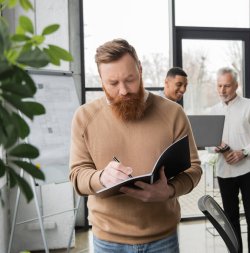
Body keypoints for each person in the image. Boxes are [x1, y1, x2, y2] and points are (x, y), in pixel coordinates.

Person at [69, 38, 202, 253]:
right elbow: (77, 176)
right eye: (113, 83)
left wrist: (169, 190)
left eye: (129, 79)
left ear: (140, 70)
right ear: (101, 80)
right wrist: (100, 178)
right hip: (107, 241)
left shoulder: (173, 113)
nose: (123, 90)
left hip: (163, 239)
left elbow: (194, 169)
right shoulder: (84, 117)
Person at [208, 67, 250, 253]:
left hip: (249, 170)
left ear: (236, 85)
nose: (222, 90)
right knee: (230, 218)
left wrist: (243, 152)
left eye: (227, 86)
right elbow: (208, 144)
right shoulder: (213, 111)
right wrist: (216, 147)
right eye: (219, 86)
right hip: (224, 172)